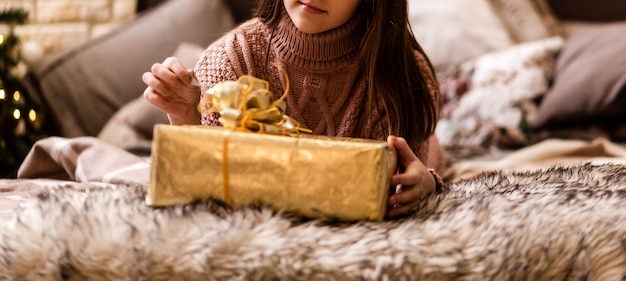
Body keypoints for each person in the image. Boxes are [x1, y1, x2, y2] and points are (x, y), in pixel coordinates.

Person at [142, 0, 446, 219]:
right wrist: (184, 117)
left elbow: (402, 186)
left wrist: (428, 183)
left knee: (437, 152)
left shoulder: (407, 79)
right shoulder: (232, 57)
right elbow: (211, 181)